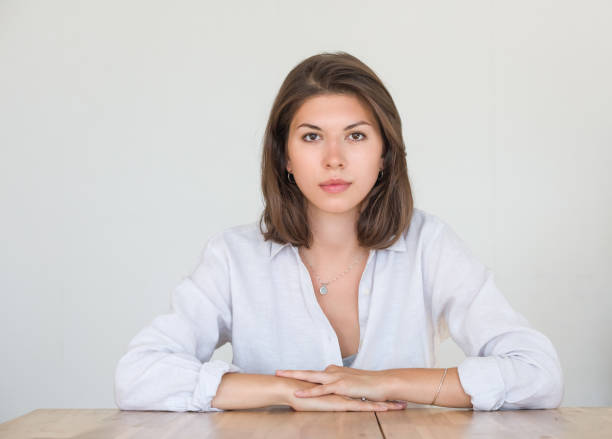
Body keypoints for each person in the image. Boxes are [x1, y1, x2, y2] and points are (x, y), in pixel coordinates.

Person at [114, 51, 564, 413]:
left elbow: (538, 373)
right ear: (284, 156)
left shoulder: (430, 244)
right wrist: (287, 392)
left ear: (386, 152)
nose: (334, 159)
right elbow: (137, 375)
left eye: (355, 136)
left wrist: (382, 382)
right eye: (311, 137)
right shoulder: (233, 256)